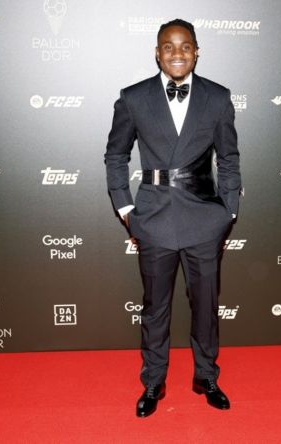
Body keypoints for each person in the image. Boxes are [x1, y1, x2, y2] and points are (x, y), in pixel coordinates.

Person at [104, 18, 241, 418]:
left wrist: (228, 210)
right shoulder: (133, 98)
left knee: (205, 305)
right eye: (168, 46)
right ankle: (153, 381)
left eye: (185, 46)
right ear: (157, 52)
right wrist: (126, 208)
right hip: (154, 218)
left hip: (204, 218)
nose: (177, 53)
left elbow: (229, 158)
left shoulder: (217, 98)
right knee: (155, 307)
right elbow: (116, 156)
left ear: (197, 51)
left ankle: (207, 376)